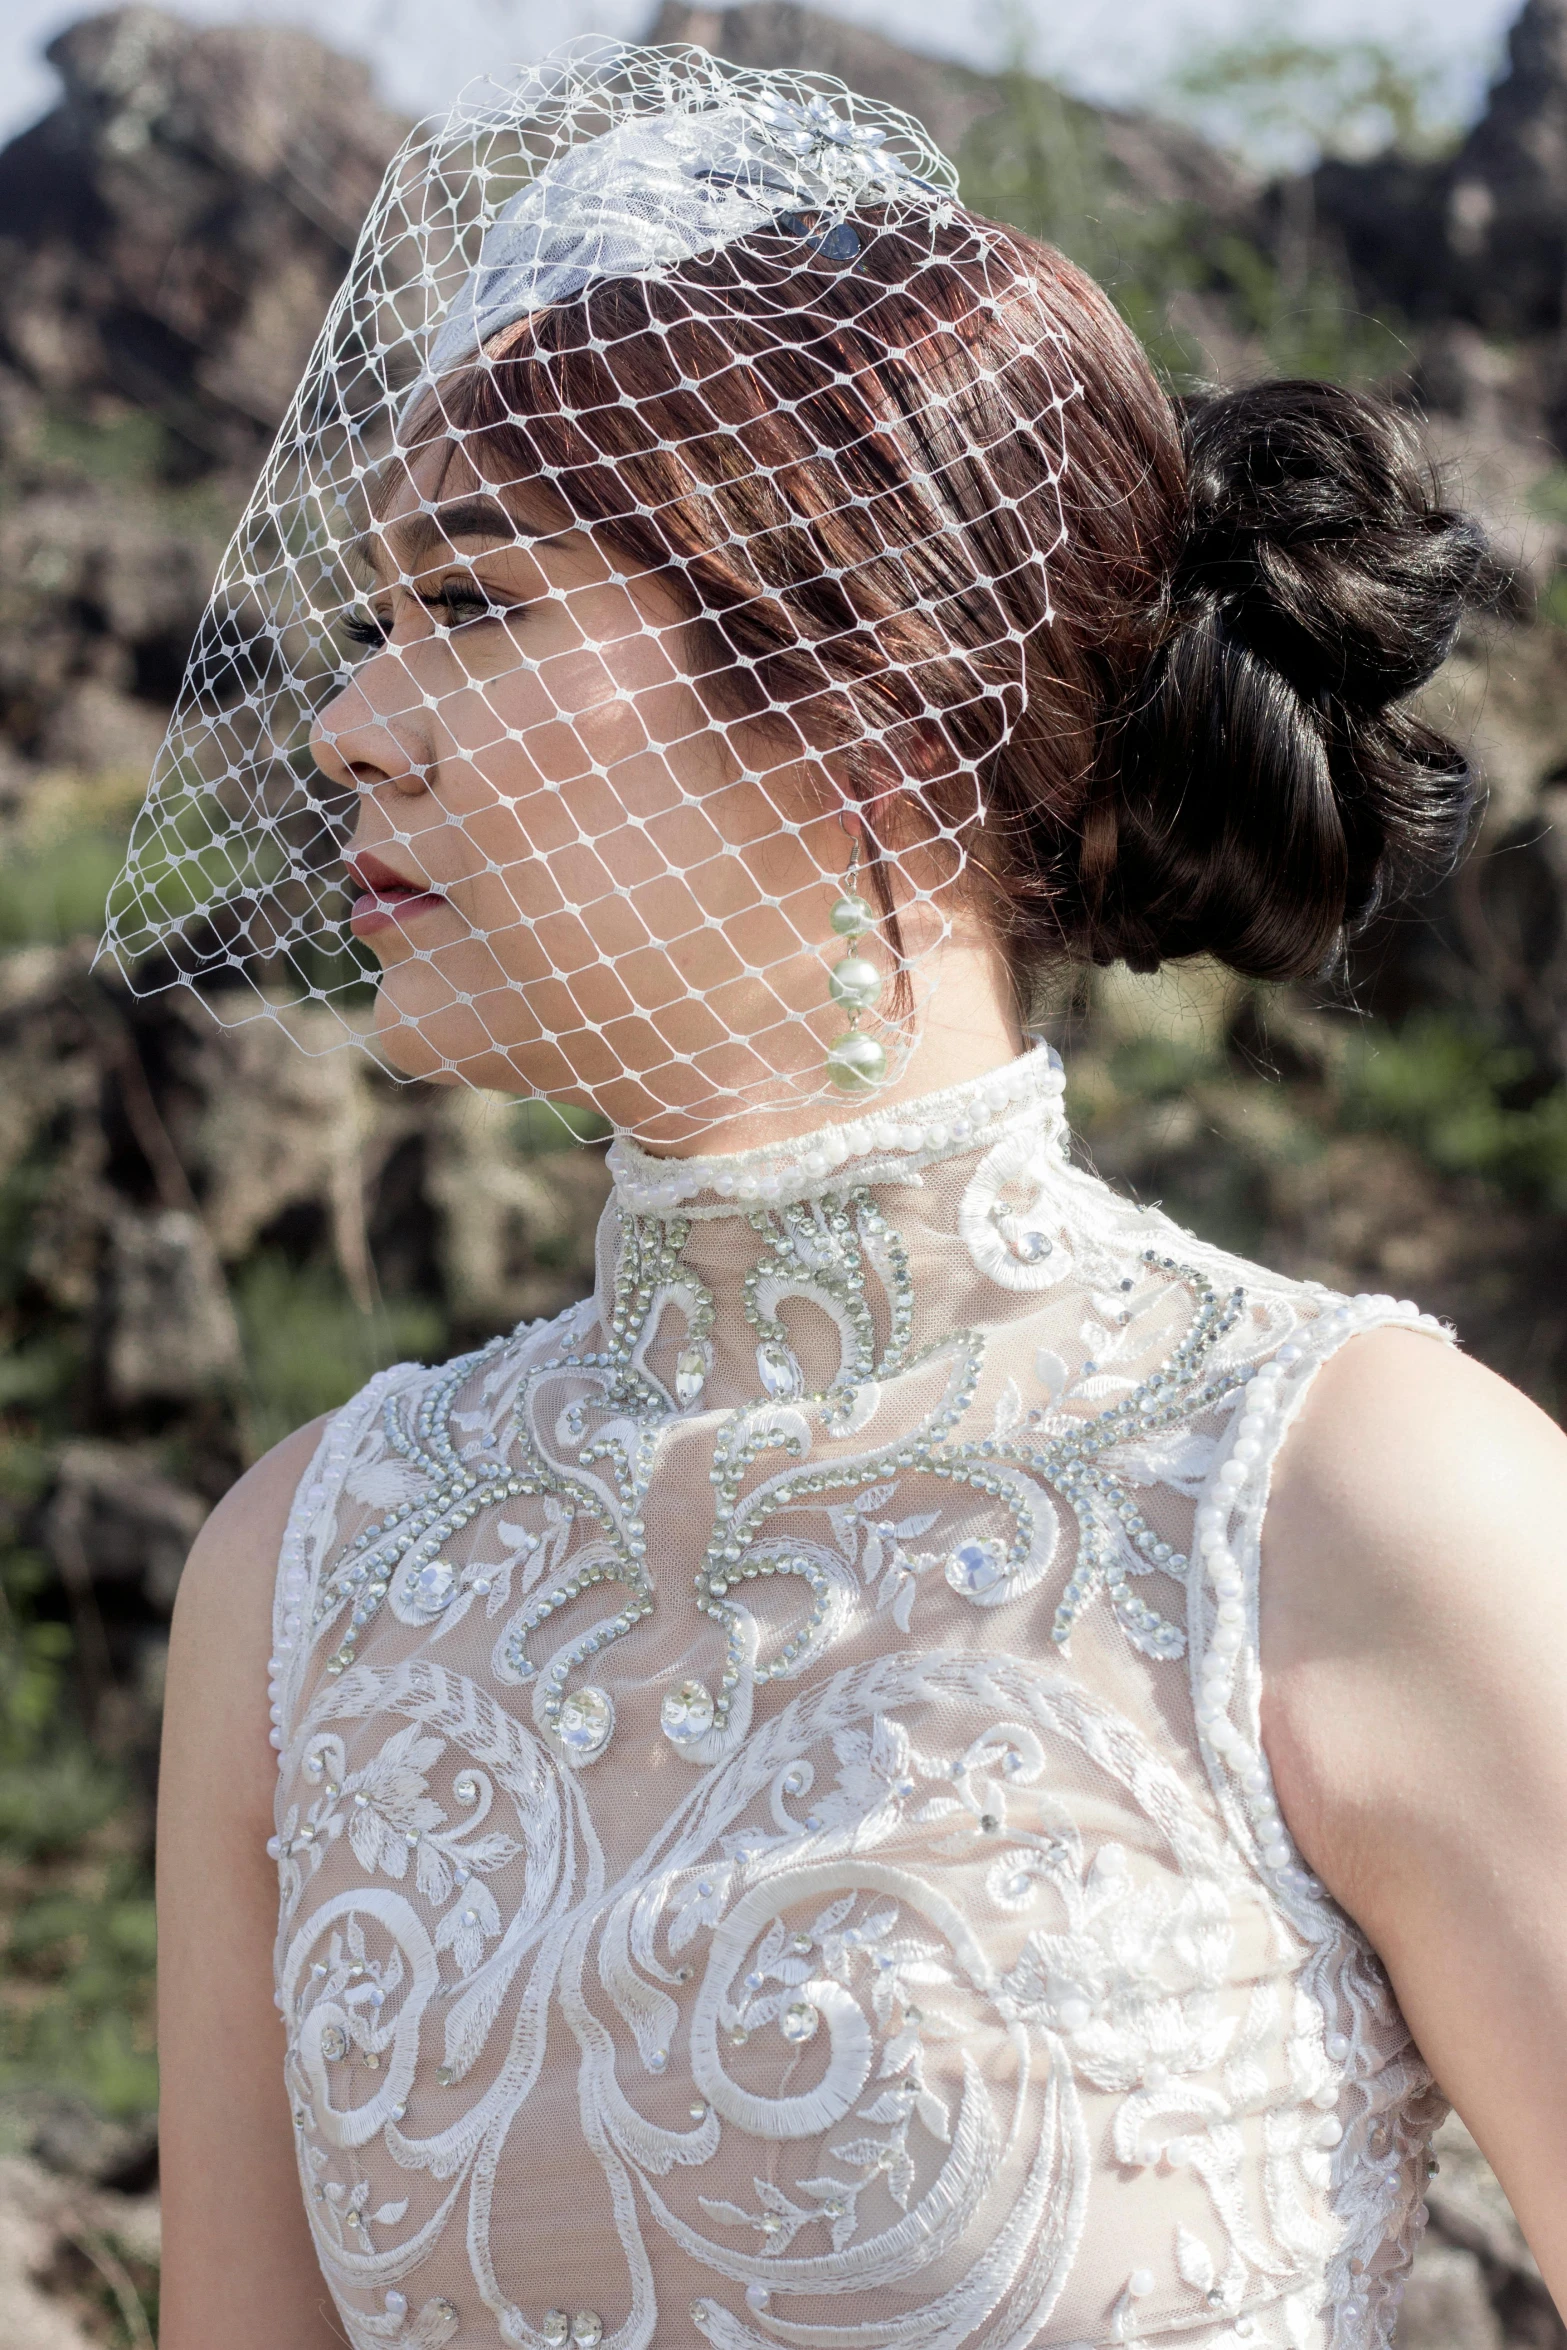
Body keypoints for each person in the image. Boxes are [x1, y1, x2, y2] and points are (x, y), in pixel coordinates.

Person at [138, 41, 1567, 2350]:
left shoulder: (1355, 1499)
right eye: (378, 614)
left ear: (878, 696)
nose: (347, 721)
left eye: (473, 604)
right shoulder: (300, 1574)